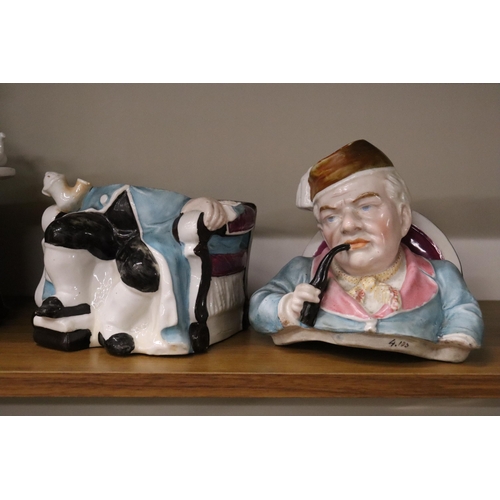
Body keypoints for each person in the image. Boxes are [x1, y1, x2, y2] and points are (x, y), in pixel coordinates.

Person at [249, 140, 484, 362]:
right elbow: (259, 304)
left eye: (366, 207)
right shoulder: (303, 271)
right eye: (331, 217)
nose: (349, 225)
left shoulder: (441, 276)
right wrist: (285, 307)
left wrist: (457, 339)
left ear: (402, 217)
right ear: (322, 231)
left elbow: (463, 312)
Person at [34, 178, 254, 356]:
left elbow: (215, 210)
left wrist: (200, 204)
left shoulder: (163, 203)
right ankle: (67, 297)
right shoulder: (104, 196)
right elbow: (72, 203)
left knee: (140, 268)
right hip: (103, 221)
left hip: (145, 235)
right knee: (60, 231)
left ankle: (114, 325)